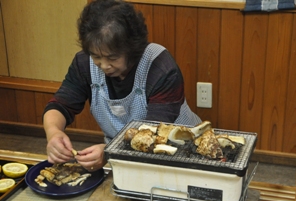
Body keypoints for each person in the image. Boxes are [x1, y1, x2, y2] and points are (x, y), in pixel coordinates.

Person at [43, 0, 201, 171]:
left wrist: (110, 152)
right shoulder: (83, 64)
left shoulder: (160, 67)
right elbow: (60, 104)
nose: (103, 66)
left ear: (132, 49)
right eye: (96, 56)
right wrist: (53, 133)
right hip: (122, 155)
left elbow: (151, 134)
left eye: (112, 58)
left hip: (180, 151)